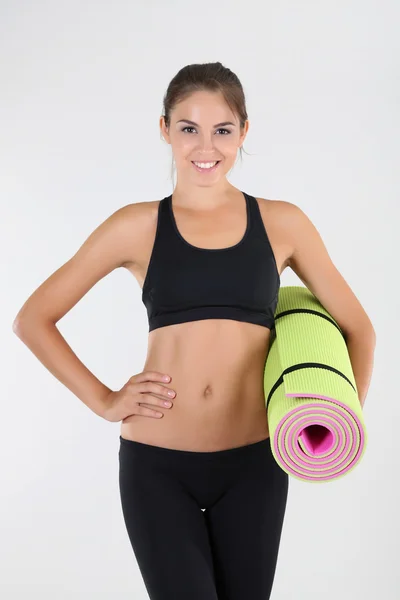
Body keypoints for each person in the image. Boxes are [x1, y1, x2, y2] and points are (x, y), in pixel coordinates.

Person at [13, 61, 376, 600]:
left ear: (243, 132)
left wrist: (334, 421)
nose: (206, 146)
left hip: (255, 461)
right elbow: (32, 318)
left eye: (222, 130)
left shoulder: (283, 223)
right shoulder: (135, 225)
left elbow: (359, 329)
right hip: (157, 465)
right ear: (165, 130)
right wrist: (105, 400)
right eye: (188, 128)